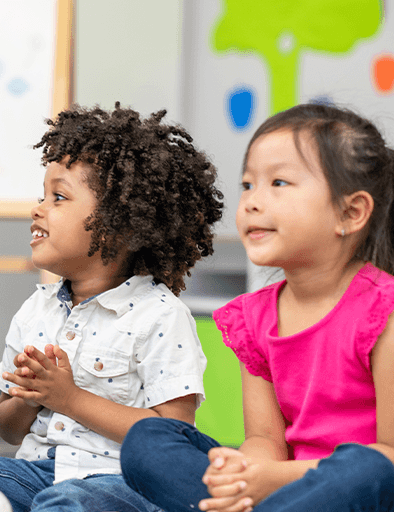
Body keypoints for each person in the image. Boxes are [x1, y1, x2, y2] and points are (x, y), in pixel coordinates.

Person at [0, 104, 225, 512]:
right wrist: (29, 397)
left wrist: (69, 398)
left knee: (70, 501)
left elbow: (172, 438)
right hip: (36, 474)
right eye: (42, 195)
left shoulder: (160, 315)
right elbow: (7, 430)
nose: (38, 208)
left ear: (121, 225)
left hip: (121, 486)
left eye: (58, 197)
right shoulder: (36, 310)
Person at [119, 104, 394, 512]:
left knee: (369, 466)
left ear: (350, 213)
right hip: (279, 492)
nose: (251, 202)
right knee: (148, 440)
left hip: (355, 492)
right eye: (248, 184)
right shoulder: (255, 318)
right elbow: (266, 439)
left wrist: (271, 480)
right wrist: (245, 472)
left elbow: (388, 456)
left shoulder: (382, 309)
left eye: (278, 182)